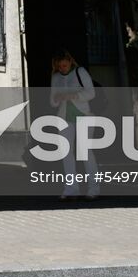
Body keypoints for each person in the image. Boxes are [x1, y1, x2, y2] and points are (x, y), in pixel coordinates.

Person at [49, 50, 100, 200]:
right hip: (65, 117)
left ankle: (94, 189)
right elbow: (52, 101)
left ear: (70, 62)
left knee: (85, 152)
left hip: (84, 115)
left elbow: (92, 93)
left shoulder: (80, 72)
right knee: (66, 153)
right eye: (60, 67)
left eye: (65, 65)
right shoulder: (56, 77)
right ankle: (71, 189)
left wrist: (74, 95)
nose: (63, 68)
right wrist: (57, 98)